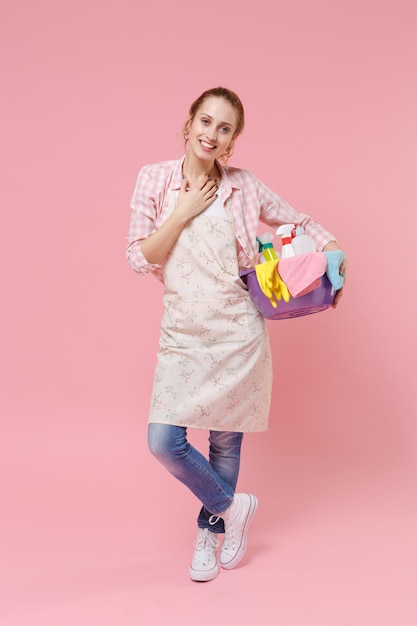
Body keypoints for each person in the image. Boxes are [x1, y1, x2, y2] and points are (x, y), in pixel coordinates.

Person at [126, 86, 346, 582]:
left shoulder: (244, 186)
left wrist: (335, 253)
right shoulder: (155, 179)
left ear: (233, 141)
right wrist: (182, 212)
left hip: (238, 333)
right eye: (206, 122)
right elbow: (140, 257)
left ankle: (211, 532)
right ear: (189, 125)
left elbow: (302, 220)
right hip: (183, 334)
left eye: (224, 128)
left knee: (224, 444)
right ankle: (233, 507)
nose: (212, 133)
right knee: (164, 440)